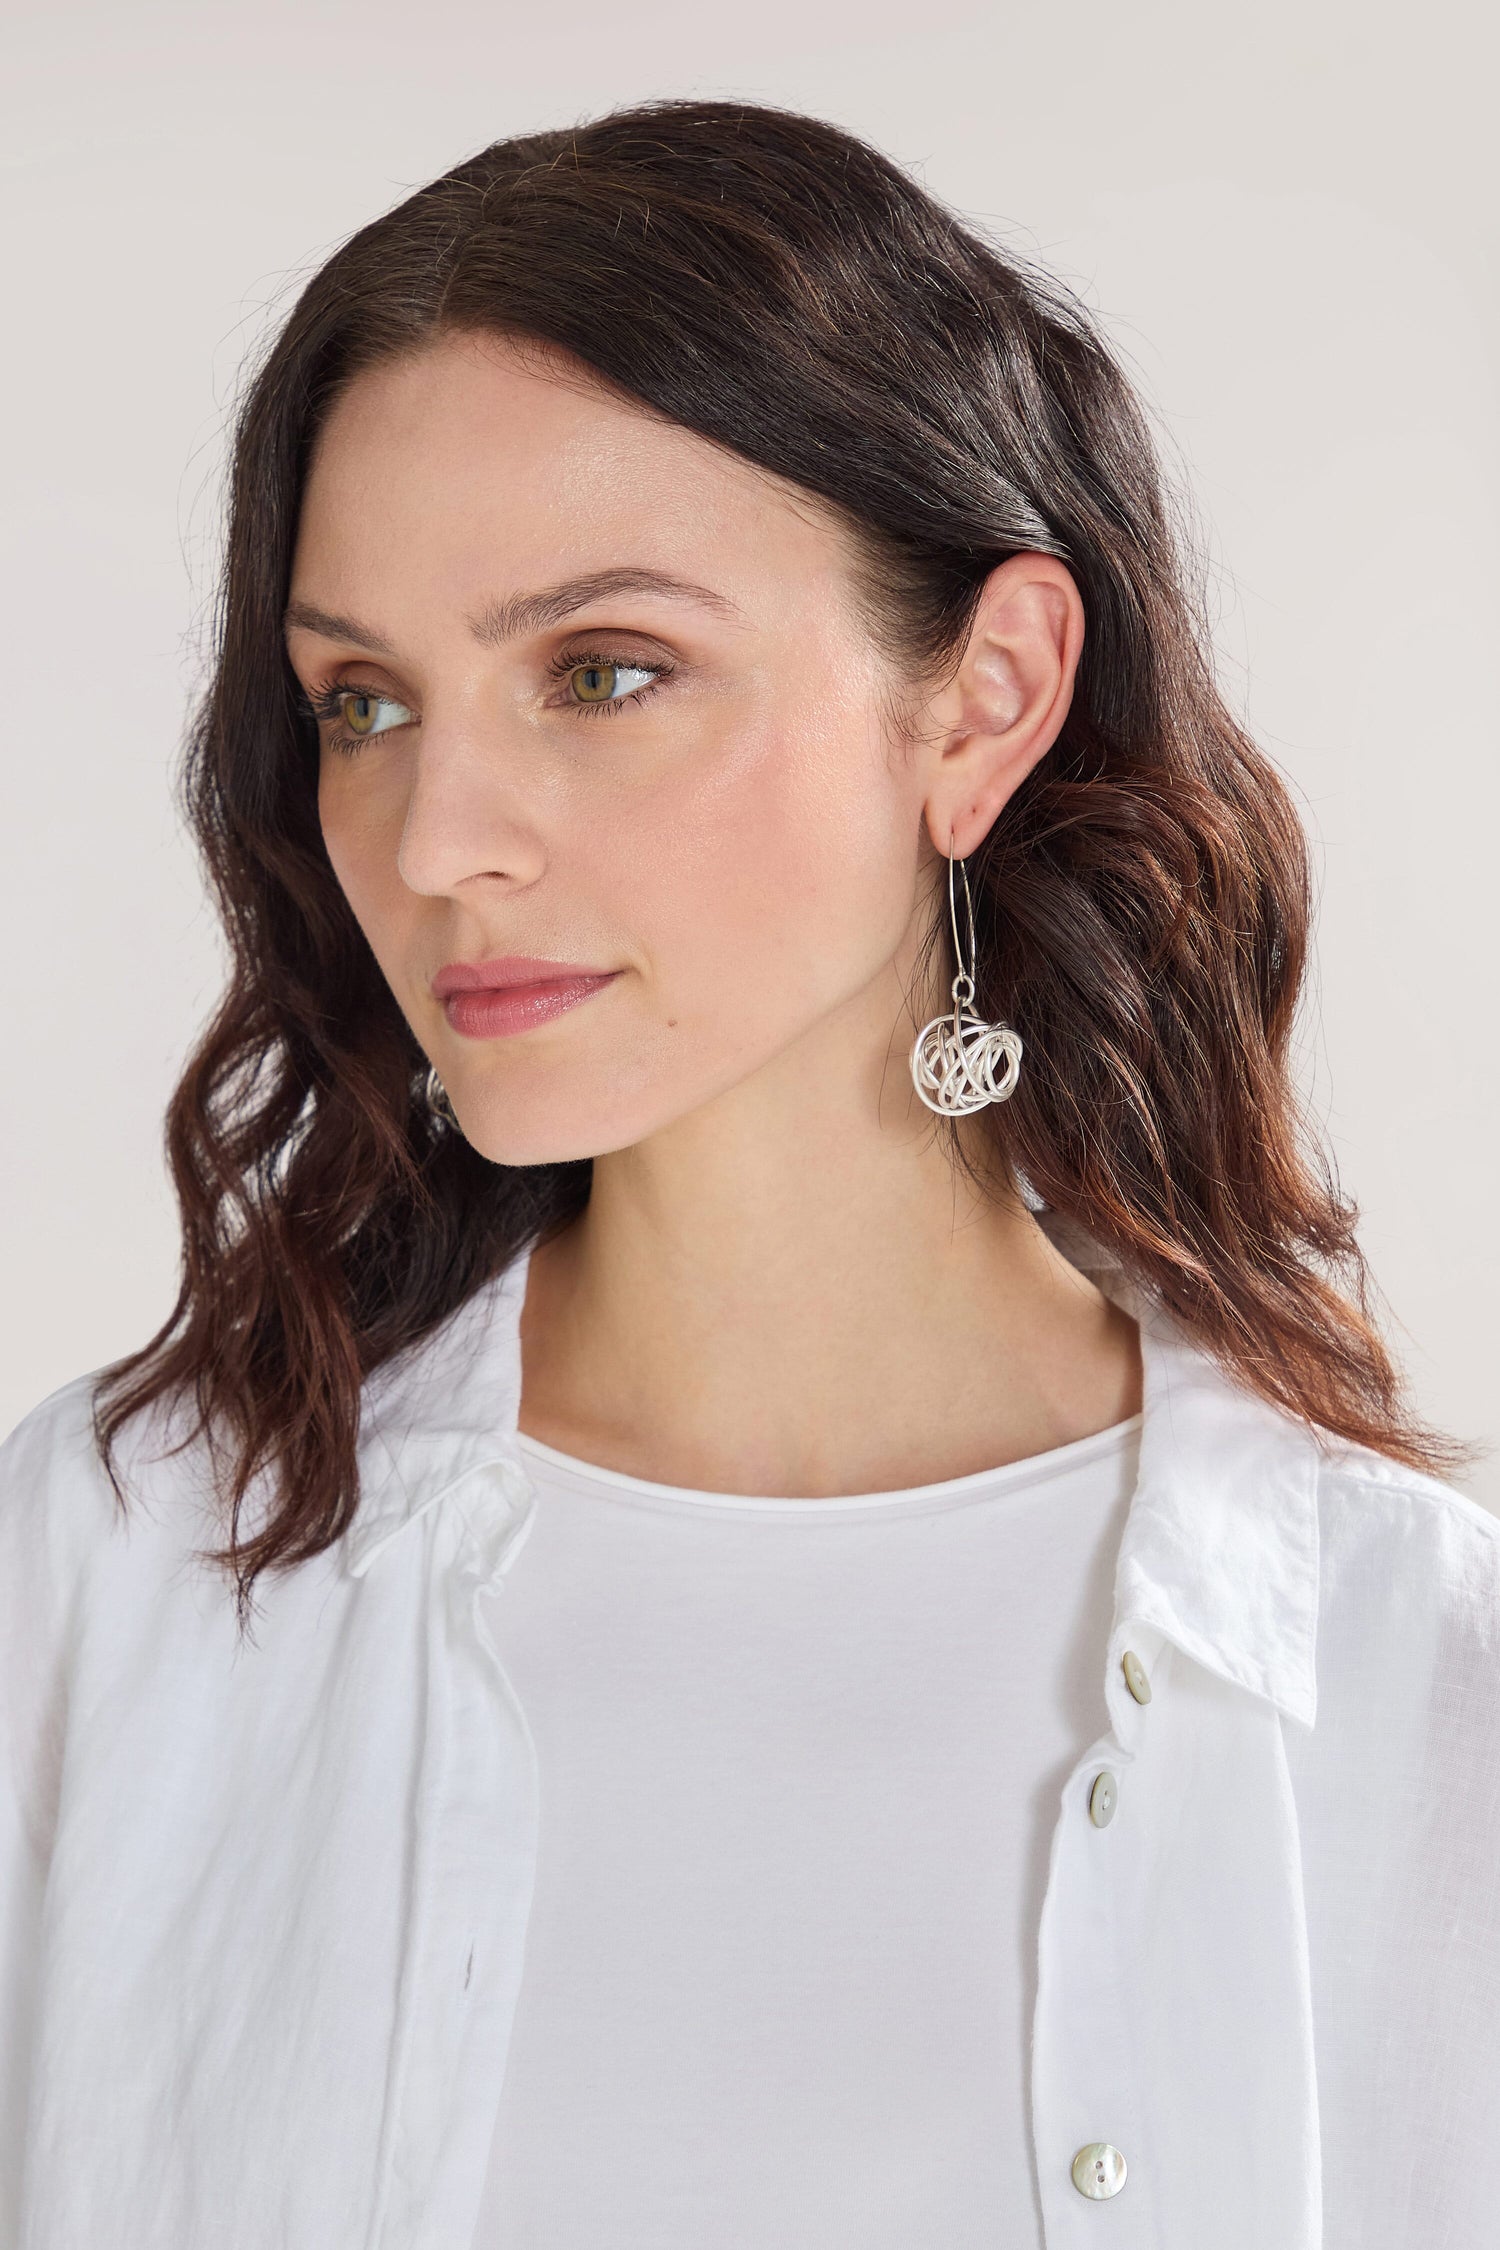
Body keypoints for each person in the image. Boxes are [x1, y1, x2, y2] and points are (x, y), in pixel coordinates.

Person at [1, 96, 1495, 2250]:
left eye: (606, 673)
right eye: (363, 702)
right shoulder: (126, 1576)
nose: (434, 845)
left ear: (985, 701)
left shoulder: (1409, 1683)